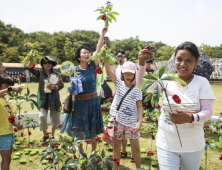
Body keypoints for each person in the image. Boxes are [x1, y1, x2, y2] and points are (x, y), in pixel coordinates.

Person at [138, 42, 215, 170]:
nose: (183, 64)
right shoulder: (165, 79)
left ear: (196, 61)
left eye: (188, 60)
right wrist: (141, 64)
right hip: (167, 144)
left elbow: (208, 111)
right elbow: (141, 85)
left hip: (193, 146)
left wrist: (190, 118)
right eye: (179, 59)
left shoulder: (202, 82)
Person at [61, 25, 108, 153]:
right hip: (78, 104)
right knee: (79, 130)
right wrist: (70, 87)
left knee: (93, 131)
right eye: (84, 52)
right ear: (79, 57)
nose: (87, 54)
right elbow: (72, 86)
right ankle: (81, 155)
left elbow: (98, 50)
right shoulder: (74, 69)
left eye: (88, 52)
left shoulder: (93, 66)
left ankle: (94, 153)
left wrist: (102, 34)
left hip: (92, 102)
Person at [105, 60, 143, 170]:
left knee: (135, 147)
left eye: (131, 74)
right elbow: (108, 69)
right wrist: (105, 55)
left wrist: (140, 121)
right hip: (118, 121)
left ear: (134, 74)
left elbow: (140, 106)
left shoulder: (137, 90)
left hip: (132, 123)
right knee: (116, 146)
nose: (128, 76)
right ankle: (115, 168)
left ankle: (139, 168)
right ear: (122, 73)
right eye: (126, 73)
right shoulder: (118, 84)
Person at [28, 56, 64, 142]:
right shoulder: (39, 73)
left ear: (52, 64)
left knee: (55, 117)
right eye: (45, 63)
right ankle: (45, 135)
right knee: (42, 116)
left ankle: (52, 135)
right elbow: (30, 68)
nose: (48, 64)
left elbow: (61, 85)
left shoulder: (56, 74)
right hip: (43, 99)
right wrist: (30, 59)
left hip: (54, 98)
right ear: (42, 65)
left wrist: (55, 86)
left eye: (49, 63)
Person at [0, 74, 23, 170]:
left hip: (8, 133)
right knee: (6, 159)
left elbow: (11, 117)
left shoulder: (8, 101)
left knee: (7, 159)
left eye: (11, 86)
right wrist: (12, 89)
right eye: (7, 86)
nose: (9, 89)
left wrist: (17, 124)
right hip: (2, 134)